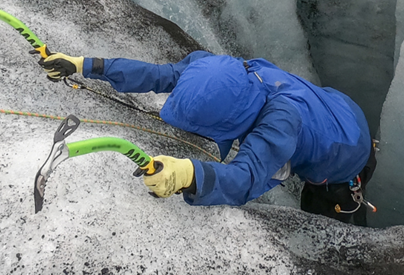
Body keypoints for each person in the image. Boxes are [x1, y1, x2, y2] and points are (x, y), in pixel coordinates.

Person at [36, 50, 377, 225]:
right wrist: (86, 65)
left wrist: (188, 174)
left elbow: (245, 178)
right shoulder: (219, 71)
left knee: (327, 218)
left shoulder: (281, 122)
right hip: (336, 105)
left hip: (347, 154)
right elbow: (160, 75)